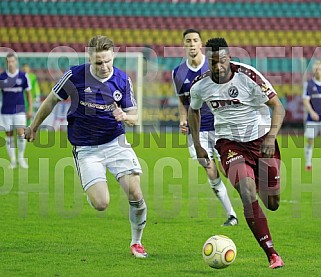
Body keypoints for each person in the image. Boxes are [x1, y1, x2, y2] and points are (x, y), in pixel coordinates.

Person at [24, 35, 148, 258]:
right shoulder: (74, 75)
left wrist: (125, 117)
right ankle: (90, 182)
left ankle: (136, 242)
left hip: (115, 142)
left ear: (113, 56)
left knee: (135, 192)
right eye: (98, 62)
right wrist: (33, 126)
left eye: (107, 61)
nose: (103, 66)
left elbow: (135, 116)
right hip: (86, 148)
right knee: (101, 204)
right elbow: (51, 100)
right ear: (89, 59)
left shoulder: (122, 80)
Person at [188, 37, 285, 269]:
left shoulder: (248, 76)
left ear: (229, 57)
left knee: (272, 202)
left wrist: (271, 137)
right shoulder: (200, 85)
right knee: (246, 191)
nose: (217, 67)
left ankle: (259, 185)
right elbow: (193, 111)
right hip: (229, 145)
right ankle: (272, 253)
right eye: (212, 62)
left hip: (261, 142)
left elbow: (277, 106)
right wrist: (198, 145)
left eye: (221, 61)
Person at [172, 29, 238, 226]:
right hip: (197, 130)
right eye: (188, 41)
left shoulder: (213, 66)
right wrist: (183, 120)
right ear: (184, 45)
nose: (192, 44)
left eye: (195, 40)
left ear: (200, 44)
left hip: (220, 126)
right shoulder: (178, 72)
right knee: (209, 168)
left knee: (228, 170)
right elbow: (183, 102)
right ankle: (232, 215)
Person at [0, 52, 33, 169]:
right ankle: (13, 160)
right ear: (6, 63)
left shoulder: (23, 76)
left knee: (21, 133)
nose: (11, 64)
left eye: (13, 61)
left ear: (16, 62)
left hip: (19, 109)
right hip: (5, 110)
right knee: (9, 135)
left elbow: (29, 94)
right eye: (8, 62)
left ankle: (20, 157)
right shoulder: (2, 77)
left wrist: (30, 109)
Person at [302, 60, 321, 171]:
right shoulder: (309, 84)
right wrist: (312, 112)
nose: (318, 72)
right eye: (316, 70)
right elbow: (305, 100)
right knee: (310, 140)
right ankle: (308, 163)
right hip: (312, 119)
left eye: (319, 69)